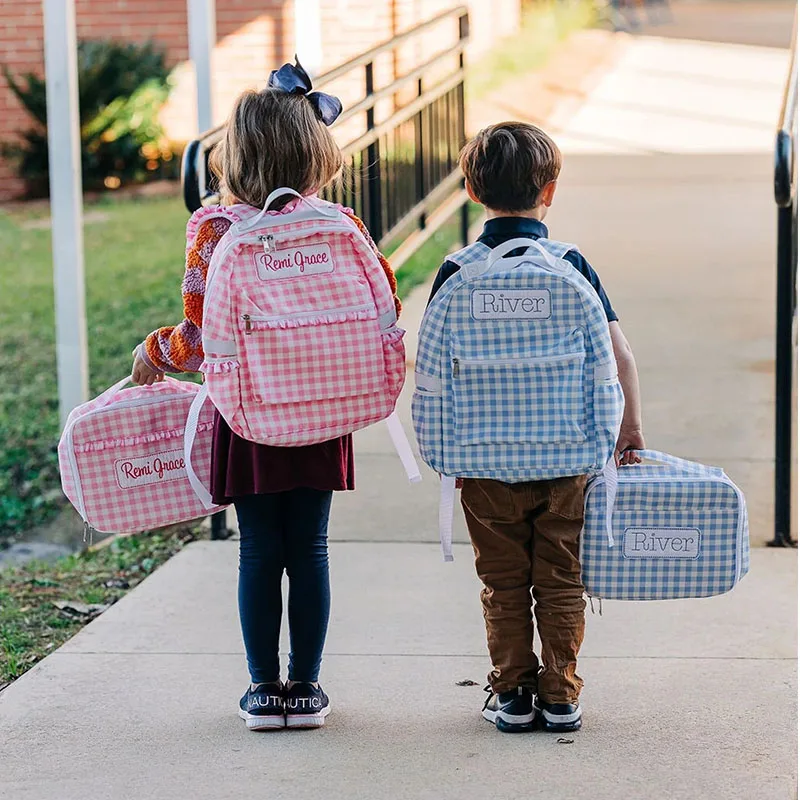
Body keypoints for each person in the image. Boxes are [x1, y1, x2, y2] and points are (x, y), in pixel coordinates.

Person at [130, 62, 400, 731]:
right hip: (325, 404)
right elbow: (385, 305)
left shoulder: (214, 228)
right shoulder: (340, 223)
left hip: (248, 410)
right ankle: (306, 688)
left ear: (237, 154)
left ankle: (262, 690)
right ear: (317, 152)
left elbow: (199, 336)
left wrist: (154, 352)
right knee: (309, 547)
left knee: (257, 549)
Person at [427, 121, 645, 733]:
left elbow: (434, 374)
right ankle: (561, 694)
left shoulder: (456, 270)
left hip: (484, 460)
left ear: (473, 191)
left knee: (502, 584)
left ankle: (512, 695)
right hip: (569, 457)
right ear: (549, 190)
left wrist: (448, 451)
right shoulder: (570, 265)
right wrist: (629, 426)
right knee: (562, 580)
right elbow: (619, 355)